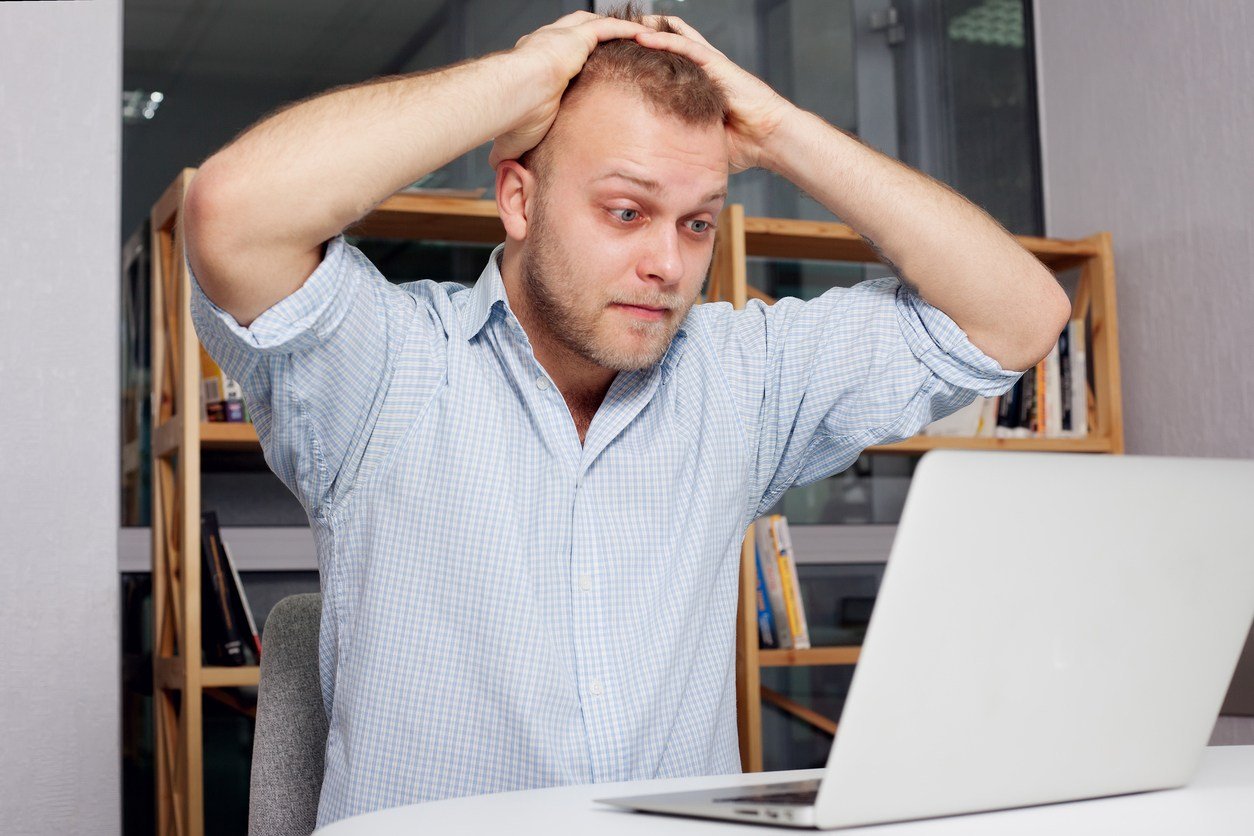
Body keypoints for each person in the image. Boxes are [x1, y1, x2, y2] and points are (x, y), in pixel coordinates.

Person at [184, 5, 1069, 827]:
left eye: (696, 225)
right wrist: (518, 80)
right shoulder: (385, 367)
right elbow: (232, 216)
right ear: (519, 199)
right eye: (626, 211)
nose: (667, 265)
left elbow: (1021, 315)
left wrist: (781, 132)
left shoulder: (740, 380)